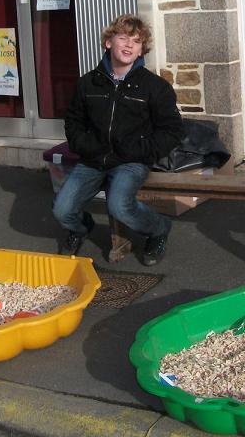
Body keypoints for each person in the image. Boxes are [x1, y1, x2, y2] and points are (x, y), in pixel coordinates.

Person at [53, 14, 183, 265]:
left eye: (136, 41)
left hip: (131, 161)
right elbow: (73, 122)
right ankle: (80, 228)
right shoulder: (87, 83)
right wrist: (85, 145)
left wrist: (142, 151)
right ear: (108, 42)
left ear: (141, 50)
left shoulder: (155, 87)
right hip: (93, 159)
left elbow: (172, 130)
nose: (128, 45)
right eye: (123, 38)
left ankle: (158, 229)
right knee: (62, 209)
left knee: (119, 206)